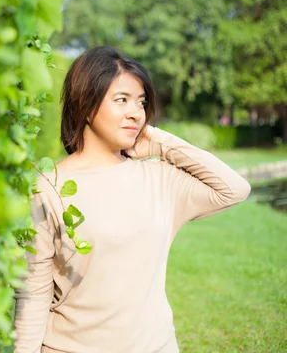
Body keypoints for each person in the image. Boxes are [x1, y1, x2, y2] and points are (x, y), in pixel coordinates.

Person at [13, 46, 251, 353]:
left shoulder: (158, 179)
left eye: (141, 102)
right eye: (121, 100)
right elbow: (33, 293)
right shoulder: (47, 188)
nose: (135, 113)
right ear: (85, 104)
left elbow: (233, 189)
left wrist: (159, 141)